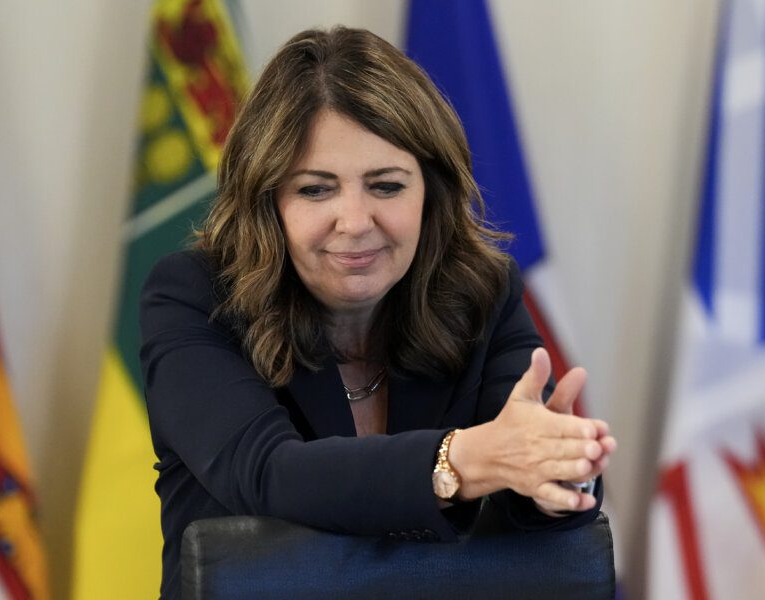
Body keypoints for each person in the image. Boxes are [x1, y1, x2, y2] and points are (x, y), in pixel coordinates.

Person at [140, 26, 616, 598]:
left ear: (430, 193)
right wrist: (461, 460)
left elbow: (524, 488)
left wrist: (558, 472)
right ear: (268, 200)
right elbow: (270, 473)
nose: (355, 221)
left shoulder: (482, 292)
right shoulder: (195, 296)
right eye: (315, 190)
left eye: (386, 186)